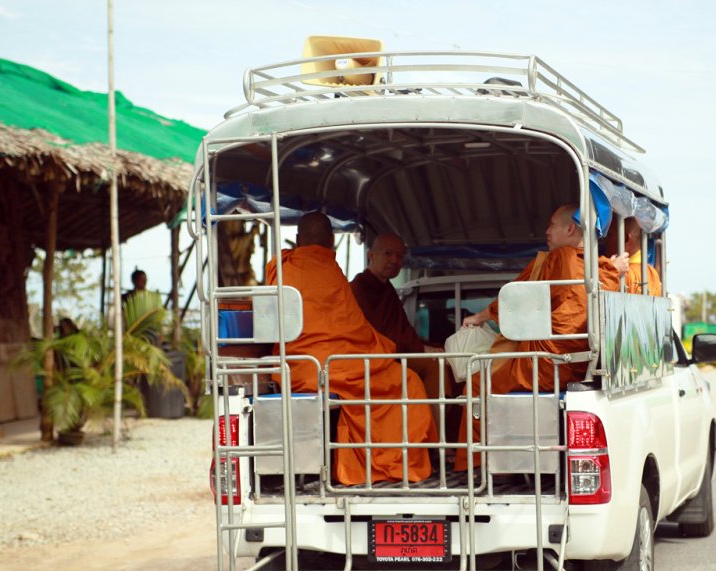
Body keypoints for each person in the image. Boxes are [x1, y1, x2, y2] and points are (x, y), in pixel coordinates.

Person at [266, 213, 435, 485]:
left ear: (298, 241)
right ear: (331, 241)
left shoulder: (282, 267)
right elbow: (353, 326)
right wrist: (378, 348)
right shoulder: (333, 271)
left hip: (301, 367)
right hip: (339, 364)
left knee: (403, 379)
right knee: (408, 381)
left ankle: (379, 462)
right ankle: (399, 463)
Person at [457, 204, 624, 467]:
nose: (546, 231)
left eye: (551, 225)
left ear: (570, 228)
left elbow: (517, 300)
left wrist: (479, 317)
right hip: (577, 365)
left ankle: (480, 465)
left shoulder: (559, 259)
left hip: (544, 363)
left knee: (476, 385)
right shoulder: (601, 269)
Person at [350, 233, 449, 402]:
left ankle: (445, 419)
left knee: (445, 358)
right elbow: (375, 333)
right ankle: (436, 425)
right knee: (434, 365)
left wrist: (425, 347)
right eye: (388, 254)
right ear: (371, 255)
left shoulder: (387, 289)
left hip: (394, 354)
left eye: (400, 256)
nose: (395, 260)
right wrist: (422, 349)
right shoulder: (358, 288)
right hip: (372, 360)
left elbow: (402, 330)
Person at [603, 216, 662, 296]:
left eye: (610, 234)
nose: (605, 240)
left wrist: (611, 270)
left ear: (626, 239)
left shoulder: (622, 274)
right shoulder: (653, 273)